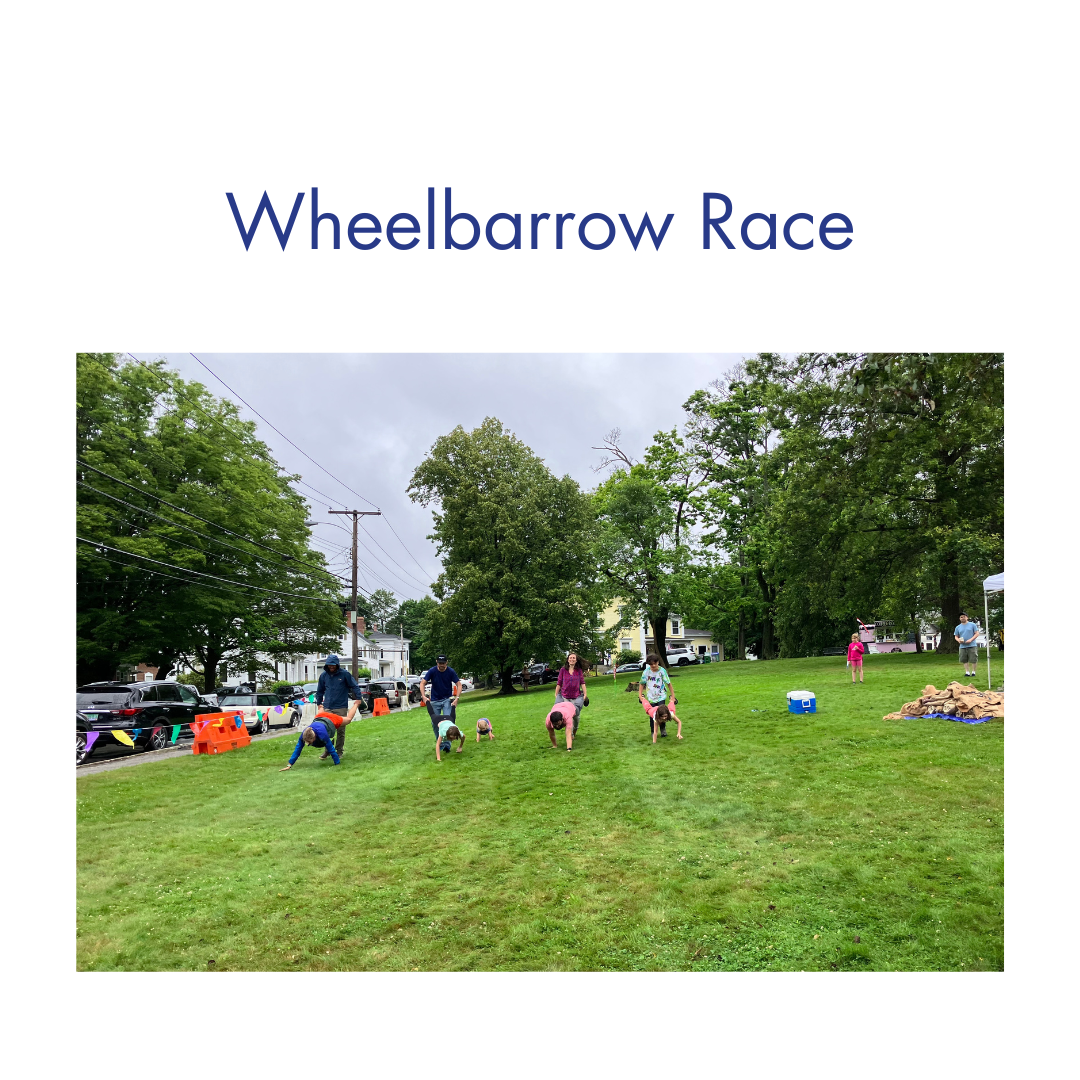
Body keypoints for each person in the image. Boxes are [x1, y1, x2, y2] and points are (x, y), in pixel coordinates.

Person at [314, 653, 360, 759]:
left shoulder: (345, 674)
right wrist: (319, 703)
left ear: (337, 665)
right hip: (328, 706)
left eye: (333, 665)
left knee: (340, 730)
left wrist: (358, 698)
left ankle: (339, 751)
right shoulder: (324, 676)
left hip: (341, 706)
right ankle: (328, 750)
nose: (331, 667)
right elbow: (320, 690)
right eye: (329, 665)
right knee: (327, 729)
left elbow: (354, 686)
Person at [419, 655, 462, 736]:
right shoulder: (432, 671)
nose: (441, 665)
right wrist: (423, 696)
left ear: (447, 663)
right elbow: (422, 683)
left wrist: (457, 698)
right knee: (434, 722)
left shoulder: (450, 671)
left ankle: (447, 742)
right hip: (435, 700)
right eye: (440, 663)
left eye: (443, 663)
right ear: (436, 662)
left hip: (447, 699)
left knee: (448, 721)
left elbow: (459, 684)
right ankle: (439, 741)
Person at [554, 651, 588, 733]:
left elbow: (582, 683)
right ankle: (570, 733)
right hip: (565, 697)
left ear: (576, 660)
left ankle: (575, 729)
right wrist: (556, 694)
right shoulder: (563, 670)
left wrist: (585, 694)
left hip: (576, 697)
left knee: (576, 716)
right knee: (567, 715)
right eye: (570, 658)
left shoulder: (579, 671)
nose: (572, 659)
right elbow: (559, 682)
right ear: (568, 660)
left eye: (573, 658)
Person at [639, 653, 675, 721]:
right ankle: (653, 728)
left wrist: (673, 696)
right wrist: (640, 695)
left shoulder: (662, 671)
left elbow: (668, 683)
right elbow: (641, 684)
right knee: (652, 715)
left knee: (662, 713)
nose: (653, 665)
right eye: (651, 664)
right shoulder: (646, 672)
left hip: (661, 695)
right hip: (651, 696)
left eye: (655, 663)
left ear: (658, 662)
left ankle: (662, 727)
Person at [954, 613, 980, 678]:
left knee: (973, 659)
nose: (963, 618)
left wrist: (971, 640)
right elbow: (956, 636)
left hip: (972, 645)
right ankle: (967, 672)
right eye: (961, 617)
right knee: (964, 659)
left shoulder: (972, 625)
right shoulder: (958, 627)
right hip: (962, 646)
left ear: (967, 617)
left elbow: (977, 633)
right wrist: (959, 640)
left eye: (964, 617)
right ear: (959, 619)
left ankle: (973, 672)